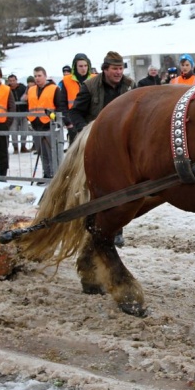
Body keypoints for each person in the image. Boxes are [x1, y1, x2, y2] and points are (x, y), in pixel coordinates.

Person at [68, 51, 133, 247]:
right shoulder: (89, 86)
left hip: (120, 143)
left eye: (120, 68)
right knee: (93, 187)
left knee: (120, 187)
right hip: (95, 143)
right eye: (114, 69)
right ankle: (86, 224)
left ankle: (117, 230)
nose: (118, 72)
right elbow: (75, 113)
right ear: (105, 69)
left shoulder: (130, 86)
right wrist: (86, 131)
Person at [28, 67, 61, 181]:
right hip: (35, 125)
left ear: (45, 76)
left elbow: (59, 107)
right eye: (35, 76)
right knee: (42, 153)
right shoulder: (31, 90)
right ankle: (46, 174)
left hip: (49, 125)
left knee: (52, 152)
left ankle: (55, 175)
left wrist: (55, 119)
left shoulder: (54, 89)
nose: (37, 78)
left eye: (39, 76)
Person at [57, 53, 94, 145]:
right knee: (75, 148)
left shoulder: (95, 79)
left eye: (85, 65)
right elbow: (62, 103)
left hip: (92, 120)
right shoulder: (67, 81)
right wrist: (68, 122)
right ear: (75, 67)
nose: (83, 68)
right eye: (80, 66)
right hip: (74, 121)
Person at [6, 74, 28, 153]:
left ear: (16, 80)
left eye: (13, 80)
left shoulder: (23, 87)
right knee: (13, 131)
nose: (12, 82)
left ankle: (23, 146)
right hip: (13, 114)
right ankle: (15, 147)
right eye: (10, 81)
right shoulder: (7, 89)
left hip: (23, 112)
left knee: (25, 130)